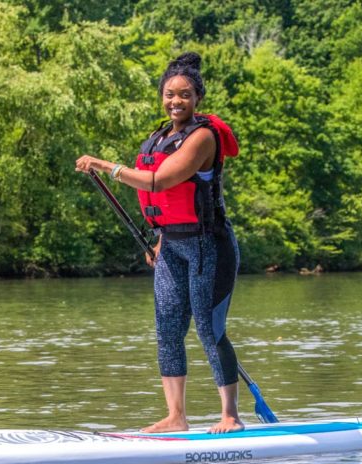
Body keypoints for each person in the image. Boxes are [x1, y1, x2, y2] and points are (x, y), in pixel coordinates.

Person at [75, 52, 243, 434]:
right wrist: (162, 242)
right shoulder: (158, 138)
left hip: (208, 247)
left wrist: (105, 166)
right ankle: (176, 416)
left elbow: (159, 182)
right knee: (167, 329)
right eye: (169, 94)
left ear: (198, 97)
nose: (175, 102)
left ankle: (230, 415)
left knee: (208, 328)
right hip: (172, 247)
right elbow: (164, 203)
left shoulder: (202, 137)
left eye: (184, 95)